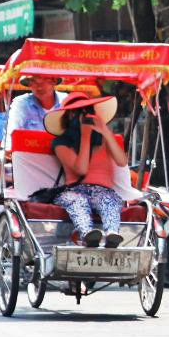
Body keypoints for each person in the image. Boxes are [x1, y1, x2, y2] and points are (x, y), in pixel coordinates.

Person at [44, 92, 129, 248]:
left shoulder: (106, 139)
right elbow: (81, 169)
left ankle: (112, 234)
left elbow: (122, 161)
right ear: (68, 116)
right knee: (78, 201)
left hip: (103, 191)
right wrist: (85, 136)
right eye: (77, 113)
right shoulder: (60, 143)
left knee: (107, 200)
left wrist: (104, 131)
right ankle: (88, 235)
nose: (82, 117)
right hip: (74, 191)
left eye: (87, 111)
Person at [5, 75, 65, 145]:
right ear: (29, 84)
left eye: (44, 81)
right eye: (33, 81)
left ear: (54, 81)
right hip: (30, 152)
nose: (39, 87)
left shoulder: (66, 102)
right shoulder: (21, 103)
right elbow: (11, 130)